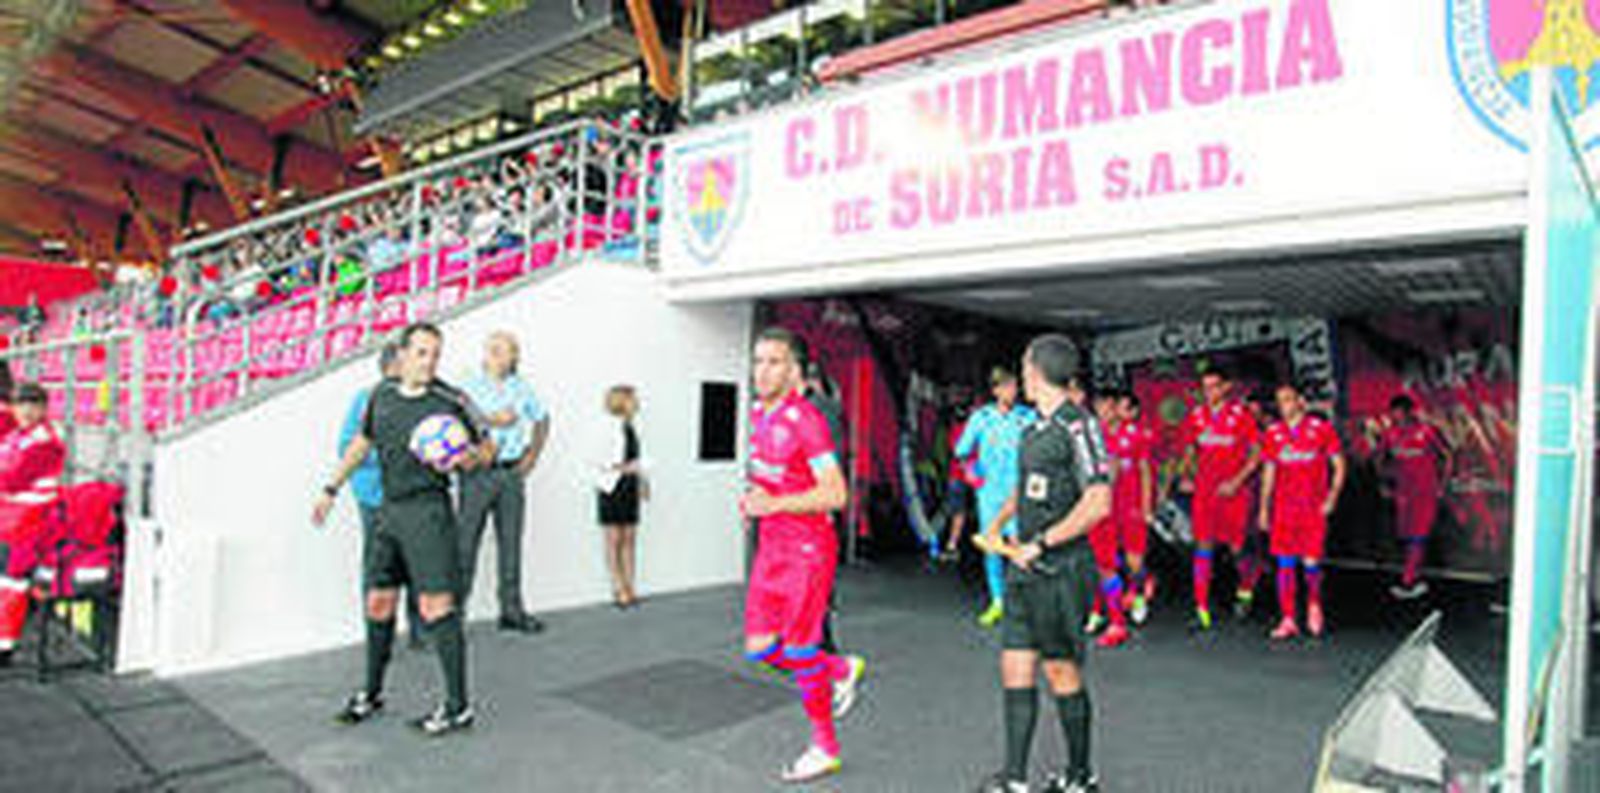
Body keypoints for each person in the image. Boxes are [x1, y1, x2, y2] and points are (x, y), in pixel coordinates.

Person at [312, 322, 495, 737]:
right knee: (378, 602)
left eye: (435, 354)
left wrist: (464, 458)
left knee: (436, 608)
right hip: (387, 512)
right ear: (402, 354)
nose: (429, 361)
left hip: (428, 513)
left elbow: (487, 448)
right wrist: (331, 487)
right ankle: (372, 694)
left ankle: (457, 706)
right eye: (422, 353)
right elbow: (363, 443)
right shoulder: (381, 396)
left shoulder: (451, 400)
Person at [976, 335, 1112, 793]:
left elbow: (1098, 503)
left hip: (1062, 571)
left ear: (1035, 371)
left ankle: (1080, 777)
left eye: (1024, 368)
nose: (1022, 377)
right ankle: (1014, 779)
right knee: (1014, 668)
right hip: (1022, 570)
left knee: (1060, 671)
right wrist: (997, 526)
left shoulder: (1080, 426)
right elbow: (1023, 487)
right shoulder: (1033, 427)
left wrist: (1042, 542)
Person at [741, 327, 866, 783]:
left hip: (807, 551)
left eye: (774, 362)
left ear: (794, 369)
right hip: (772, 547)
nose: (763, 370)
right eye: (758, 361)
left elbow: (835, 494)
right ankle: (839, 668)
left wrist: (774, 504)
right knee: (759, 649)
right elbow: (773, 478)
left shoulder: (807, 419)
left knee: (798, 647)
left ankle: (824, 747)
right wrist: (756, 498)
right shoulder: (758, 414)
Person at [459, 331, 549, 633]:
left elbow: (542, 418)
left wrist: (532, 457)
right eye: (496, 350)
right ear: (485, 354)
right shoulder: (467, 387)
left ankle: (511, 611)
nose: (502, 356)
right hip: (476, 475)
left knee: (511, 543)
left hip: (511, 474)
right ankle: (455, 616)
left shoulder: (522, 387)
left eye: (509, 351)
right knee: (465, 545)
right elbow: (456, 426)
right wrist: (493, 421)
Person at [340, 343, 424, 649]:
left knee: (418, 564)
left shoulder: (420, 399)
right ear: (392, 367)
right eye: (410, 361)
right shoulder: (366, 401)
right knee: (379, 569)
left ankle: (421, 632)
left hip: (412, 497)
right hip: (376, 499)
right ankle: (379, 633)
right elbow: (348, 447)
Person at [1258, 381, 1346, 640]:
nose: (1283, 406)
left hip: (1312, 508)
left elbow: (1339, 465)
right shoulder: (1273, 433)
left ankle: (1314, 605)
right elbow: (1269, 472)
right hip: (1284, 509)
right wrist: (1264, 508)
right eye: (1280, 401)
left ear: (1301, 402)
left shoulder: (1321, 430)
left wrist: (1332, 497)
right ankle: (1287, 618)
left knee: (1310, 563)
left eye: (1287, 400)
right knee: (1285, 563)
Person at [1177, 368, 1262, 630]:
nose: (1209, 392)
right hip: (1205, 492)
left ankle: (1246, 587)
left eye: (1214, 386)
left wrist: (1237, 481)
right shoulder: (1196, 416)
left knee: (1237, 550)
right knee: (1203, 547)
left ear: (1226, 387)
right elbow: (1191, 449)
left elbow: (1257, 453)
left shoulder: (1241, 415)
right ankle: (1201, 608)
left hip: (1234, 493)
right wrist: (1188, 475)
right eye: (1205, 387)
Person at [957, 367, 1040, 627]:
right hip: (990, 493)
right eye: (1005, 387)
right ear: (994, 390)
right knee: (992, 545)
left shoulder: (1028, 417)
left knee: (1018, 545)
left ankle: (1021, 602)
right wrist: (971, 472)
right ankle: (997, 601)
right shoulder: (981, 418)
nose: (1011, 392)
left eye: (1014, 387)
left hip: (1018, 492)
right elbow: (961, 451)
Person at [0, 383, 68, 667]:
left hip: (29, 524)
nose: (25, 411)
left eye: (32, 405)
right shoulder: (16, 435)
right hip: (9, 518)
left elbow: (12, 479)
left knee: (11, 583)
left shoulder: (45, 441)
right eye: (20, 405)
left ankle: (4, 647)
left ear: (43, 408)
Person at [1378, 394, 1451, 600]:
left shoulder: (1426, 432)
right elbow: (1380, 459)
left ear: (1409, 412)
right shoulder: (1390, 434)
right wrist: (1384, 483)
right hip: (1403, 494)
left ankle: (1408, 581)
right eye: (1393, 413)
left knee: (1418, 536)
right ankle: (1414, 578)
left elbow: (1447, 456)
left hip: (1425, 493)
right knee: (1406, 537)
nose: (1396, 417)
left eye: (1399, 413)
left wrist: (1441, 485)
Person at [596, 385, 645, 608]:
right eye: (633, 399)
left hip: (630, 486)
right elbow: (598, 459)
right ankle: (618, 589)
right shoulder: (605, 427)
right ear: (622, 401)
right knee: (613, 540)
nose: (637, 402)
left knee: (629, 539)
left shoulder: (631, 427)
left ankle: (630, 585)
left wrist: (642, 480)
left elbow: (636, 459)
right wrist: (625, 467)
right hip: (611, 487)